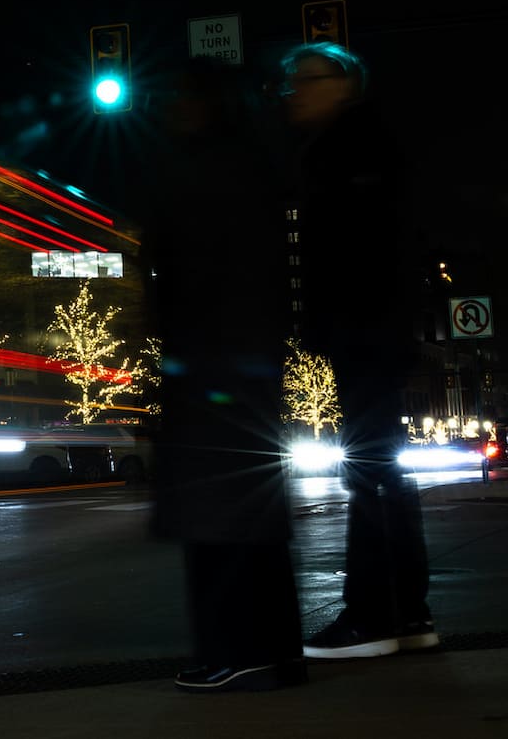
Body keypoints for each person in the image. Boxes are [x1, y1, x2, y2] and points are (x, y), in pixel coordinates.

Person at [142, 57, 308, 694]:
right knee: (242, 509)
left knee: (220, 510)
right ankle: (268, 650)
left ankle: (239, 649)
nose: (172, 106)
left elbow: (190, 268)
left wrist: (178, 345)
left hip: (214, 362)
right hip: (236, 361)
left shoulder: (207, 170)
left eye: (184, 95)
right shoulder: (249, 165)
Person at [279, 40, 437, 660]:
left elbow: (361, 256)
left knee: (370, 472)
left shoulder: (350, 152)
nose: (294, 91)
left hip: (365, 332)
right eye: (289, 82)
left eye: (306, 79)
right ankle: (404, 612)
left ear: (342, 84)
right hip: (371, 331)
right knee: (379, 471)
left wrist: (330, 324)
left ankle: (374, 614)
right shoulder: (354, 148)